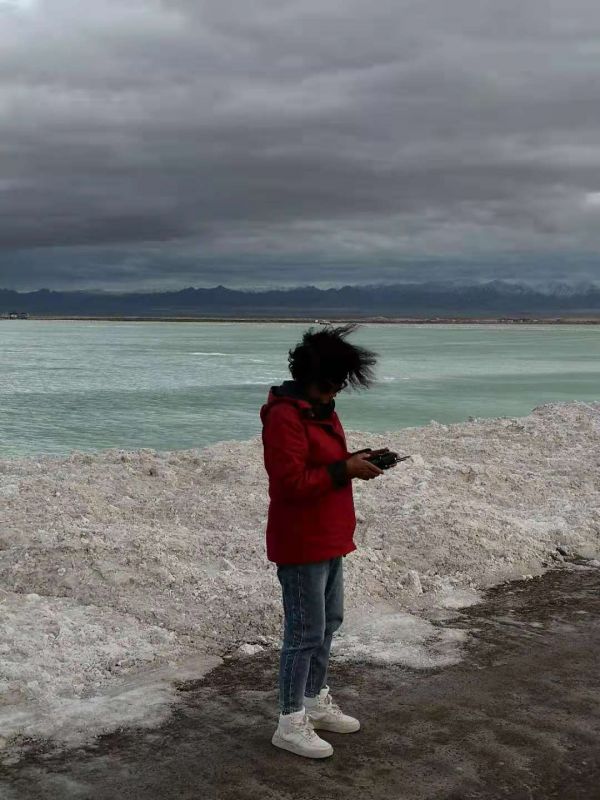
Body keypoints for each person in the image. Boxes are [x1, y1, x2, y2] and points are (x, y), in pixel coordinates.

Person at [259, 322, 392, 759]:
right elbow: (289, 484)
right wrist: (344, 470)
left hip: (330, 534)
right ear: (311, 378)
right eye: (332, 384)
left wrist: (354, 461)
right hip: (301, 540)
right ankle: (289, 720)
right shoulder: (285, 416)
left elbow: (325, 463)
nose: (337, 392)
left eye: (340, 385)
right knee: (304, 632)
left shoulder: (320, 409)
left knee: (328, 622)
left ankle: (314, 700)